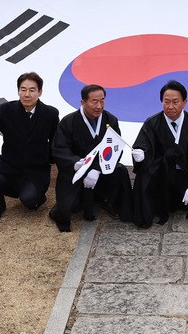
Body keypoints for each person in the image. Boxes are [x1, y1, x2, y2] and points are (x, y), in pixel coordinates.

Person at [0, 72, 60, 222]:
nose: (27, 94)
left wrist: (50, 161)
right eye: (23, 89)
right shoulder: (5, 110)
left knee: (30, 201)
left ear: (40, 92)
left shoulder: (50, 113)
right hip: (10, 164)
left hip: (37, 168)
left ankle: (36, 194)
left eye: (32, 90)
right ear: (18, 91)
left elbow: (55, 141)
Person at [51, 84, 132, 232]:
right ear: (83, 102)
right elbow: (59, 149)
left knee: (119, 170)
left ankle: (108, 199)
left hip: (101, 170)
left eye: (102, 101)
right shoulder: (68, 122)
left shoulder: (110, 120)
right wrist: (76, 163)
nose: (99, 106)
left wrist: (97, 169)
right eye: (94, 101)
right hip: (77, 171)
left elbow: (116, 149)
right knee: (71, 207)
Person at [131, 81, 188, 228]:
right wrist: (139, 154)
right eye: (166, 102)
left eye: (175, 102)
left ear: (184, 102)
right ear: (161, 102)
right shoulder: (152, 123)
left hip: (184, 173)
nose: (170, 106)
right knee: (143, 178)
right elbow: (142, 145)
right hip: (161, 174)